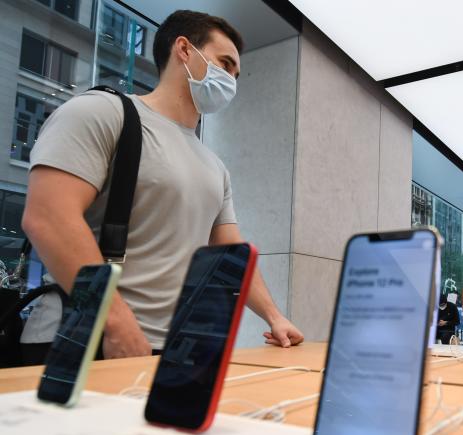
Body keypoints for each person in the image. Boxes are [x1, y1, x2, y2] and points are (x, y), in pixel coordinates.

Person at [20, 10, 303, 363]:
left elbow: (232, 254)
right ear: (184, 49)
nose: (231, 79)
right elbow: (48, 217)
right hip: (84, 340)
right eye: (225, 63)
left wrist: (274, 317)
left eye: (235, 73)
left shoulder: (214, 166)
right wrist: (116, 323)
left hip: (165, 352)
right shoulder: (103, 112)